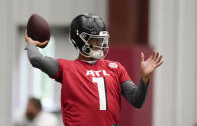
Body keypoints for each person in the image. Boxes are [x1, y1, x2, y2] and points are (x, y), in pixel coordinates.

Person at [24, 13, 163, 126]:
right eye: (94, 40)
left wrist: (144, 78)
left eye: (101, 40)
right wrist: (31, 44)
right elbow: (36, 59)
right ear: (78, 40)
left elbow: (136, 100)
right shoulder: (66, 67)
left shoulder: (116, 68)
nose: (99, 44)